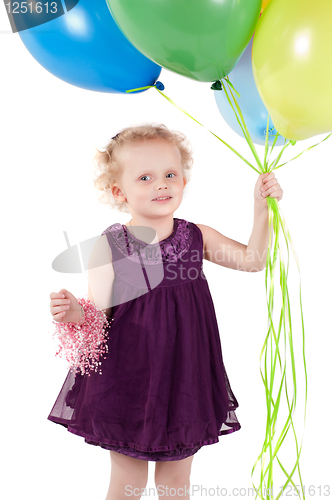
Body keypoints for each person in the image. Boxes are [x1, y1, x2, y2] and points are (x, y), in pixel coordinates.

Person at [48, 123, 283, 500]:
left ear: (184, 181)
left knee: (175, 486)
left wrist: (261, 211)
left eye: (170, 175)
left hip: (185, 379)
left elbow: (253, 260)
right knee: (128, 485)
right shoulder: (111, 245)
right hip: (128, 378)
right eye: (145, 177)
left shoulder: (196, 237)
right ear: (118, 191)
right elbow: (98, 316)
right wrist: (75, 312)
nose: (162, 185)